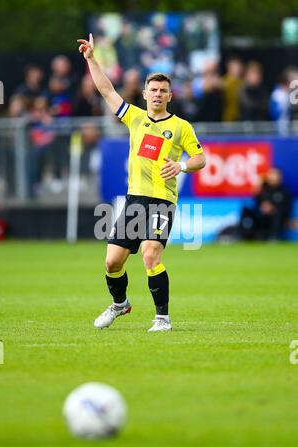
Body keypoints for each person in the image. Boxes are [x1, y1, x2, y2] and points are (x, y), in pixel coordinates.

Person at [77, 34, 206, 332]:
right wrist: (92, 59)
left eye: (163, 90)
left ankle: (162, 318)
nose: (158, 94)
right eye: (153, 90)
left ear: (170, 96)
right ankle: (120, 304)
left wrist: (182, 165)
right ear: (145, 94)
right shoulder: (134, 117)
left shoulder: (181, 127)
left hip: (162, 201)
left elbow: (201, 160)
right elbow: (106, 90)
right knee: (112, 263)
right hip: (135, 200)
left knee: (150, 253)